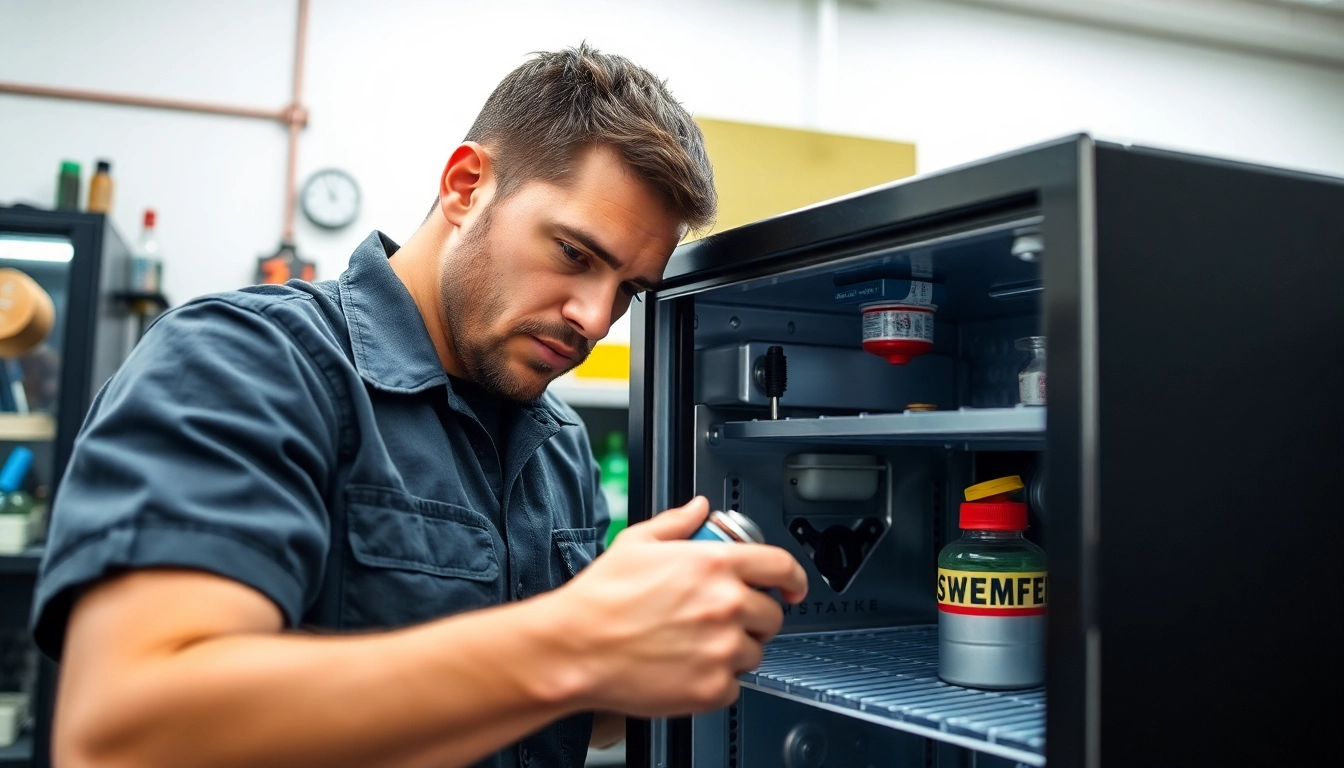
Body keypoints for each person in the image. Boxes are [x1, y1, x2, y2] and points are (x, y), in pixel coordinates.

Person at [31, 44, 807, 768]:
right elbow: (124, 733)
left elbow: (556, 705)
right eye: (575, 254)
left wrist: (662, 639)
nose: (597, 320)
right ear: (467, 187)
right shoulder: (247, 360)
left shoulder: (557, 443)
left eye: (629, 291)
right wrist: (575, 641)